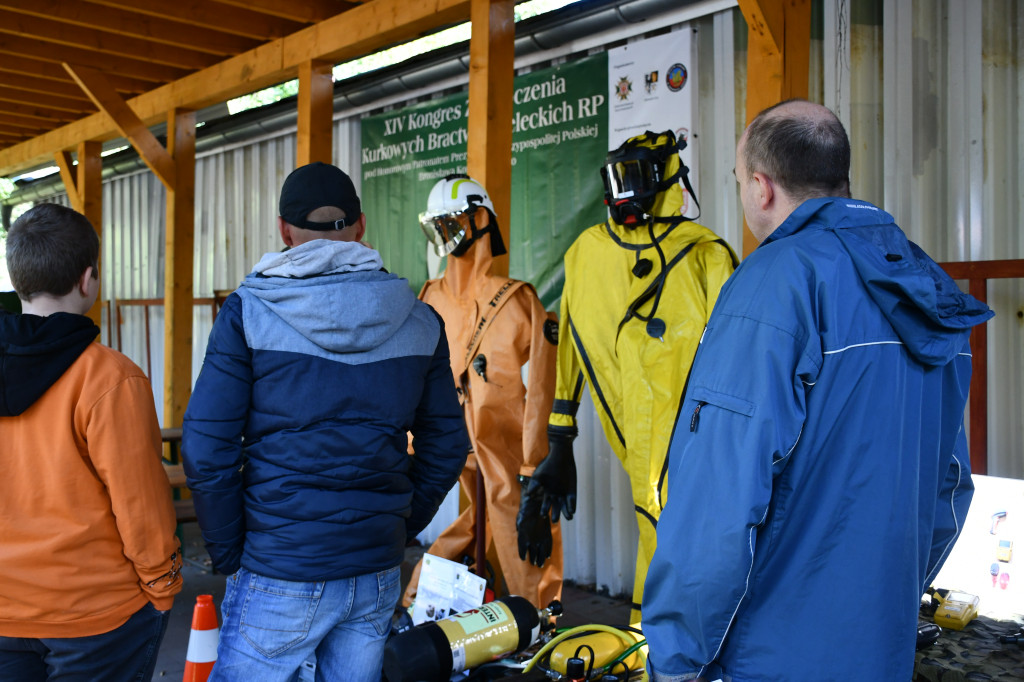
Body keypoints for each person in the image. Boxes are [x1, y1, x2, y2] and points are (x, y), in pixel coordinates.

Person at [641, 100, 994, 681]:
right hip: (881, 649)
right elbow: (950, 487)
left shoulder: (772, 283)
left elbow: (718, 500)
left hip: (768, 655)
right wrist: (888, 601)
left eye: (738, 179)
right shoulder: (927, 283)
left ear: (761, 187)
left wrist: (678, 658)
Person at [182, 161, 469, 682]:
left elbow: (207, 448)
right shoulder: (419, 319)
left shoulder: (249, 313)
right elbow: (447, 443)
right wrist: (395, 525)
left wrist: (229, 551)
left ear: (284, 230)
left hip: (280, 563)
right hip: (375, 569)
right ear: (360, 227)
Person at [534, 130, 737, 620]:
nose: (626, 192)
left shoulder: (705, 254)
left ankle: (660, 638)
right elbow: (572, 342)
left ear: (666, 179)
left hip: (699, 446)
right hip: (633, 443)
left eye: (637, 177)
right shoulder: (586, 253)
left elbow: (738, 360)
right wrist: (560, 437)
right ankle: (655, 641)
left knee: (683, 540)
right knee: (660, 531)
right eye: (616, 179)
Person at [0, 203, 183, 681]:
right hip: (95, 615)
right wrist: (162, 585)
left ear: (18, 280)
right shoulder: (110, 378)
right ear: (88, 280)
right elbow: (140, 503)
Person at [401, 174, 562, 612]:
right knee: (490, 513)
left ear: (480, 220)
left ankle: (535, 617)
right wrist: (408, 442)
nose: (444, 234)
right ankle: (522, 614)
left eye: (451, 223)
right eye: (437, 226)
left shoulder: (515, 301)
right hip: (443, 441)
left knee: (511, 517)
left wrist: (535, 464)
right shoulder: (430, 297)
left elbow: (543, 385)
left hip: (501, 444)